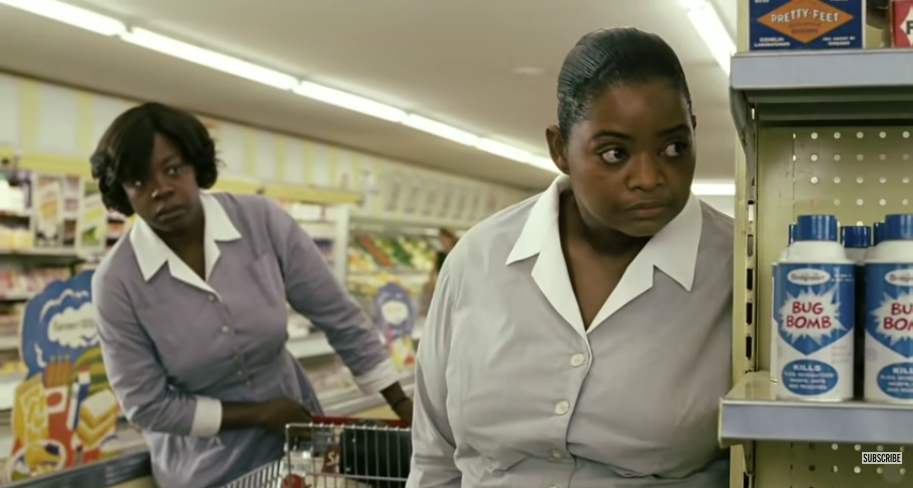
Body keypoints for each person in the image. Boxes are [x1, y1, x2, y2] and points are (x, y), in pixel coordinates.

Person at [407, 27, 733, 488]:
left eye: (673, 147)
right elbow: (435, 457)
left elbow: (851, 454)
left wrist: (877, 460)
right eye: (615, 153)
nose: (648, 176)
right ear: (560, 149)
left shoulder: (739, 271)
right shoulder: (478, 260)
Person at [89, 102, 414, 488]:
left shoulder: (260, 221)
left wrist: (404, 408)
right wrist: (259, 413)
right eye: (139, 182)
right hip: (204, 470)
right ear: (123, 193)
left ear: (196, 166)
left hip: (300, 447)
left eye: (172, 169)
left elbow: (337, 316)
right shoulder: (117, 283)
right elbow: (147, 405)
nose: (161, 189)